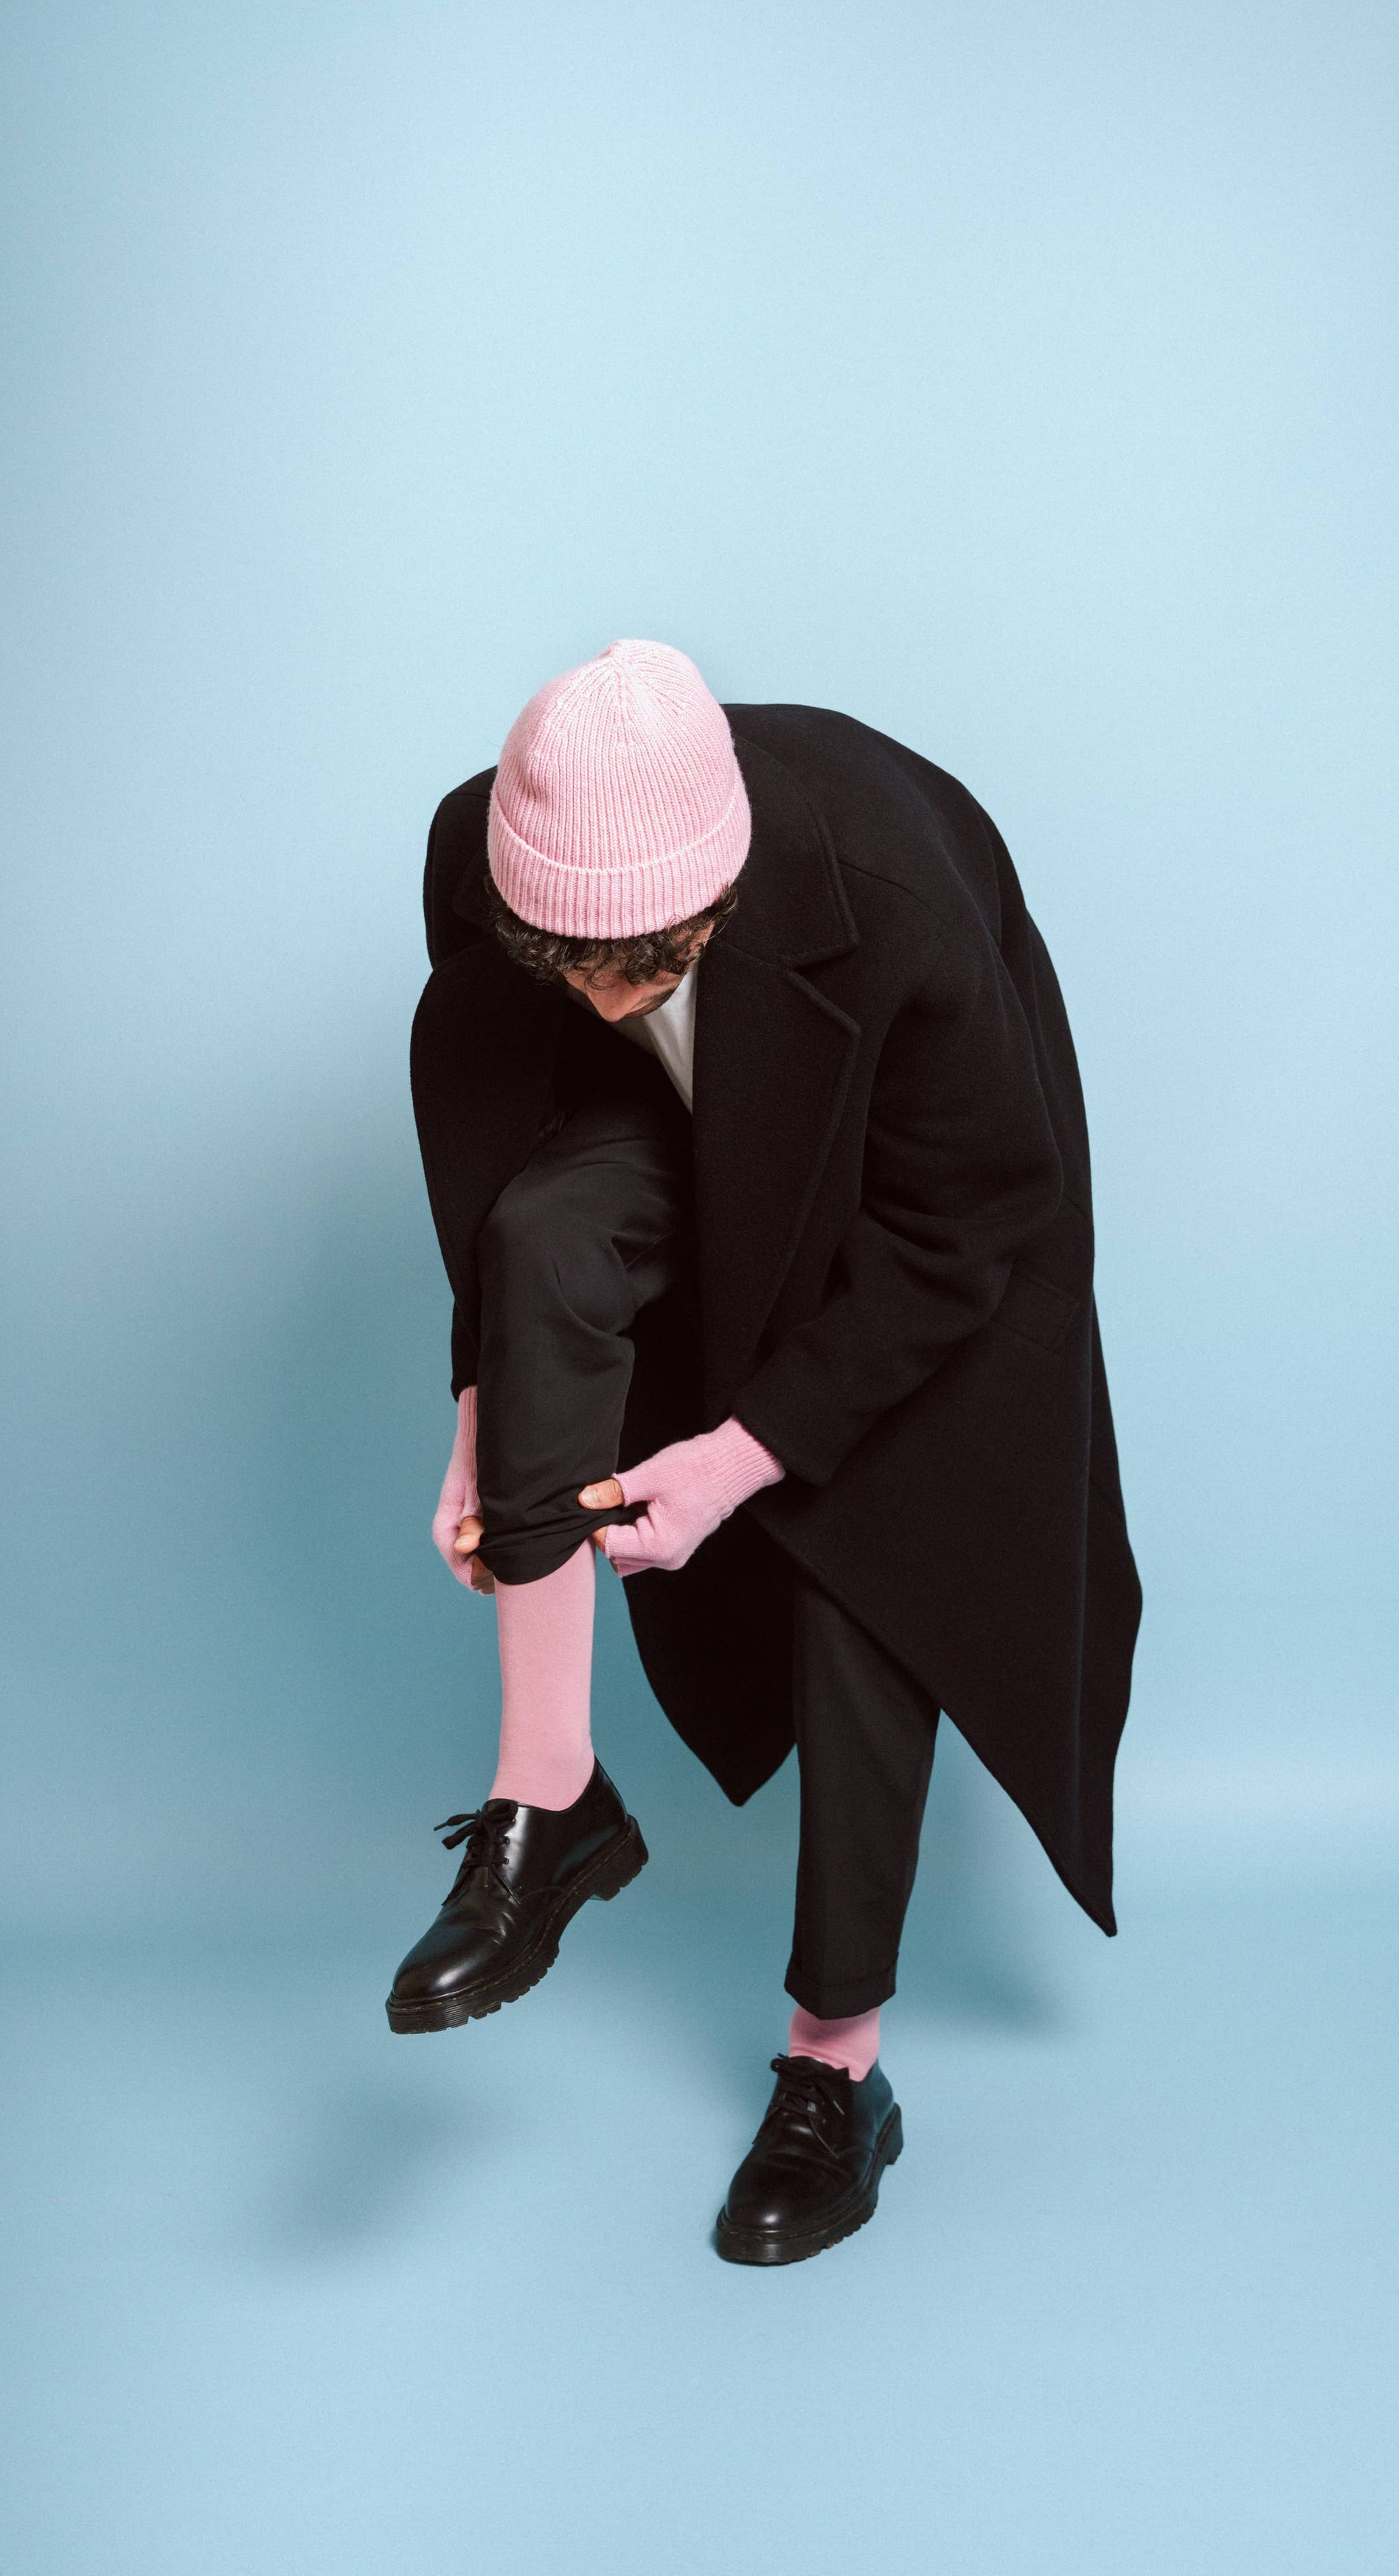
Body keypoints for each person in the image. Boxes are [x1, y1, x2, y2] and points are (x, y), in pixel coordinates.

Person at [391, 638, 1141, 2265]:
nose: (602, 994)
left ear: (719, 896)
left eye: (638, 964)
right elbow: (496, 1131)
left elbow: (967, 1223)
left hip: (916, 1195)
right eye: (567, 962)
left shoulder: (899, 904)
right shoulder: (480, 854)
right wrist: (484, 1405)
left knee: (873, 1557)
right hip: (683, 1134)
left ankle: (835, 2065)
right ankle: (551, 1792)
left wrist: (738, 1456)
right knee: (543, 1239)